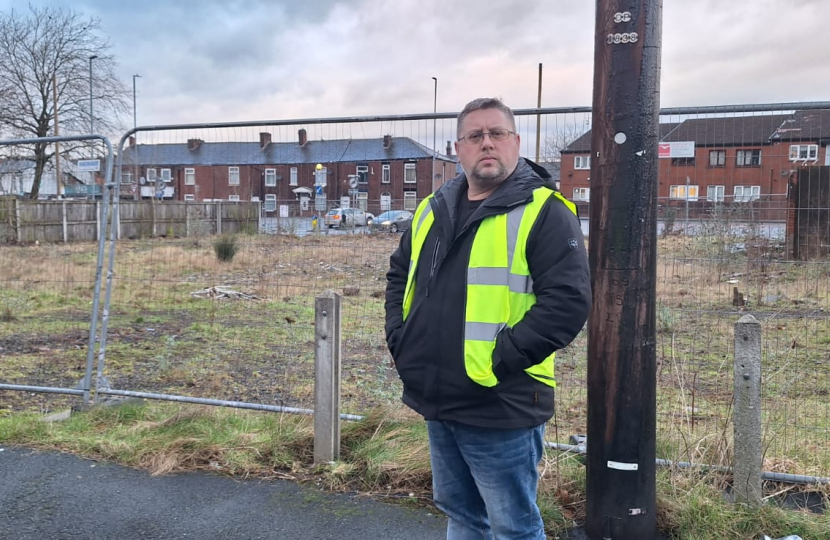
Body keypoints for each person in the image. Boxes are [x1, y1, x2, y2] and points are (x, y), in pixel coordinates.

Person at [384, 97, 591, 539]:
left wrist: (498, 360)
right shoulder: (431, 209)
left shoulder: (545, 211)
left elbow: (567, 303)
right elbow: (400, 273)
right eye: (475, 136)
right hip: (436, 392)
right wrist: (402, 341)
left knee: (512, 524)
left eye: (497, 133)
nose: (487, 143)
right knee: (459, 512)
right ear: (459, 148)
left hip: (501, 399)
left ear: (516, 142)